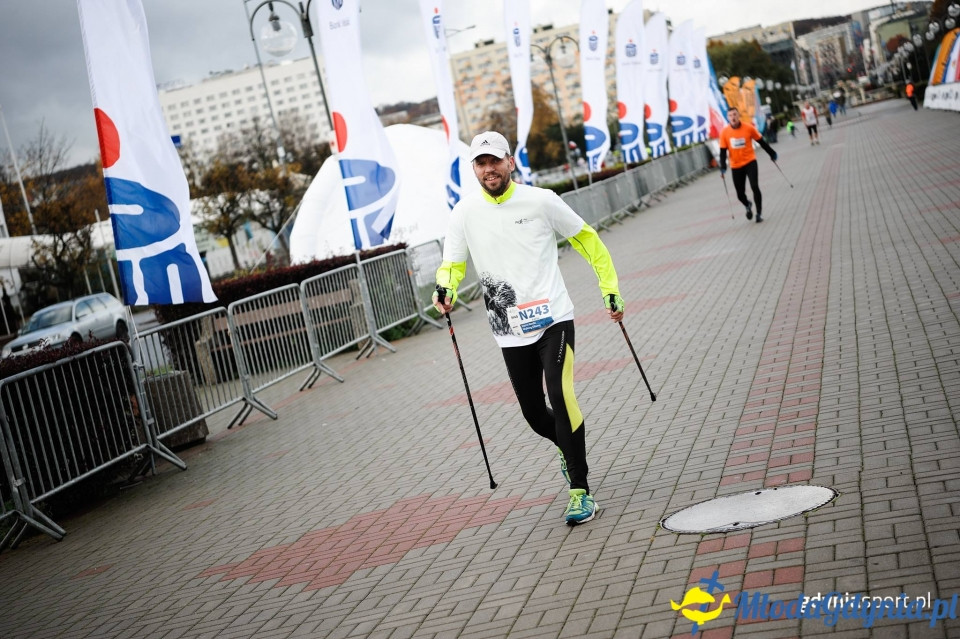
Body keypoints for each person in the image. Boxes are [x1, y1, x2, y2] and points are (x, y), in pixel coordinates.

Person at [433, 131, 624, 526]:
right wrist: (446, 289)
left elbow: (587, 239)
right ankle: (565, 445)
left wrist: (610, 288)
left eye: (495, 161)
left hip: (553, 319)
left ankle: (580, 490)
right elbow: (452, 264)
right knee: (535, 413)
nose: (489, 169)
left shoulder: (541, 201)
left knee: (560, 392)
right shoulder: (464, 212)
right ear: (474, 168)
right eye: (481, 163)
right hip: (508, 329)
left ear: (510, 162)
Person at [718, 106, 778, 224]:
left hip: (750, 162)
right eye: (730, 115)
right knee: (740, 194)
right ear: (727, 117)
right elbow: (723, 152)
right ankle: (747, 204)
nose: (733, 117)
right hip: (735, 166)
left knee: (754, 186)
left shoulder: (749, 128)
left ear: (738, 115)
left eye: (735, 115)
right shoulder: (725, 132)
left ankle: (759, 213)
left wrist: (772, 153)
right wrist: (723, 168)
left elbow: (761, 142)